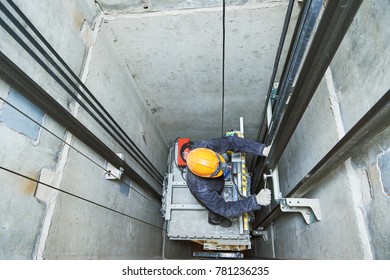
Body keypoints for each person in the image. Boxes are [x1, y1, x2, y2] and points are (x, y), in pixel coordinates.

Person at [185, 135, 272, 227]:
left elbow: (231, 141)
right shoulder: (201, 189)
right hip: (211, 189)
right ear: (206, 176)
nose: (225, 166)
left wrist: (262, 149)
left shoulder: (204, 149)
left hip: (215, 182)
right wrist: (256, 201)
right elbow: (225, 209)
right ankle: (215, 220)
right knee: (217, 211)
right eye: (218, 170)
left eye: (220, 162)